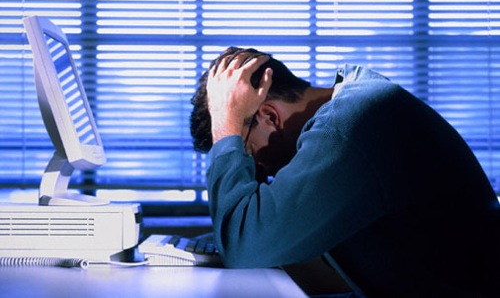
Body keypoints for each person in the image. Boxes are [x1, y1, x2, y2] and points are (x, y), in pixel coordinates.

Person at [189, 46, 500, 297]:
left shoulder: (350, 126)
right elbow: (305, 264)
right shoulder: (352, 110)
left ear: (270, 116)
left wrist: (227, 123)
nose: (257, 173)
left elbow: (245, 247)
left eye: (251, 157)